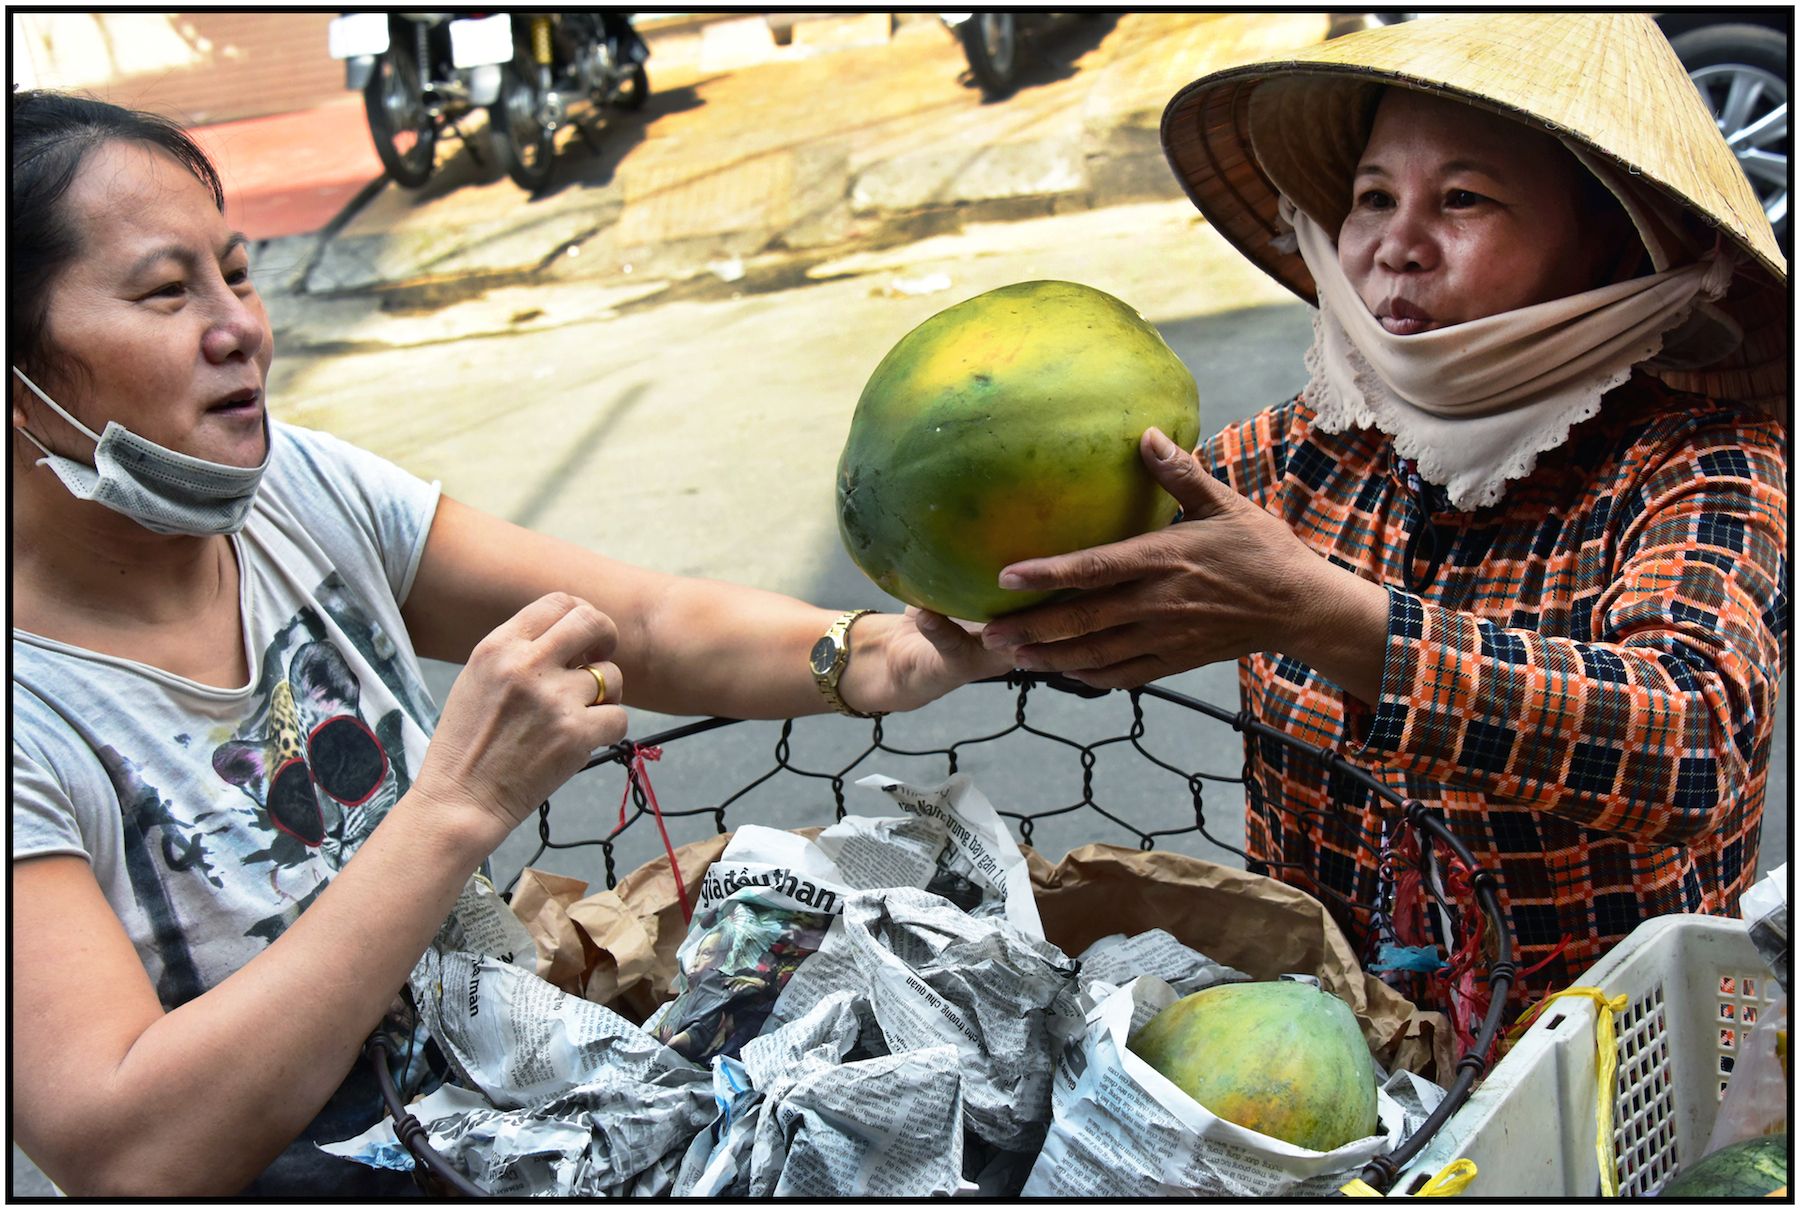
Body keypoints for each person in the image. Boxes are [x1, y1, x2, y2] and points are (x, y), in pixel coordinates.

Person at [8, 91, 1010, 1196]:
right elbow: (123, 1150)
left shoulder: (297, 488)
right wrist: (454, 806)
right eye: (164, 290)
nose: (238, 326)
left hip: (524, 1118)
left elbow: (640, 622)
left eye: (238, 272)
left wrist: (873, 655)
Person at [980, 13, 1787, 1019]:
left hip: (1595, 1063)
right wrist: (990, 627)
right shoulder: (1315, 446)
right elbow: (1112, 572)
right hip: (1334, 1044)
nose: (1396, 246)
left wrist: (1323, 615)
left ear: (1611, 240)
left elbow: (1692, 743)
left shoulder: (1699, 462)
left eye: (1462, 199)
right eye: (1372, 198)